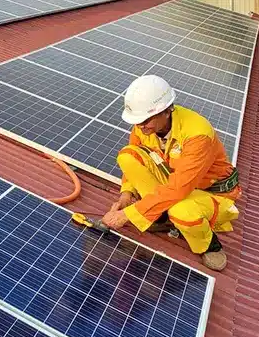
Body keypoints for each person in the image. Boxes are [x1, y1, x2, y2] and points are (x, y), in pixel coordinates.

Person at [101, 74, 241, 271]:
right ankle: (159, 218)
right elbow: (135, 159)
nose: (140, 126)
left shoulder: (197, 134)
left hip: (211, 193)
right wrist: (127, 195)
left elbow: (178, 188)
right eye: (137, 120)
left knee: (181, 210)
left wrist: (127, 215)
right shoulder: (143, 127)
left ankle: (209, 245)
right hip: (176, 182)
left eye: (145, 120)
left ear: (166, 111)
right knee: (127, 156)